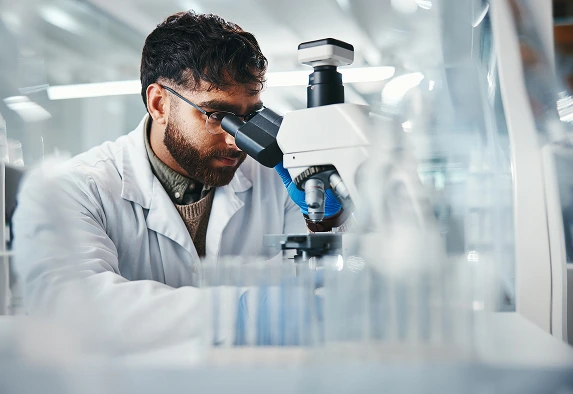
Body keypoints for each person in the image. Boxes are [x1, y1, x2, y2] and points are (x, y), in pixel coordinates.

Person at [12, 11, 345, 351]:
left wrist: (326, 221)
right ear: (159, 104)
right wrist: (240, 313)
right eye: (217, 116)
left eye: (248, 118)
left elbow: (327, 288)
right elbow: (74, 308)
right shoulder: (75, 189)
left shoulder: (280, 180)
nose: (236, 140)